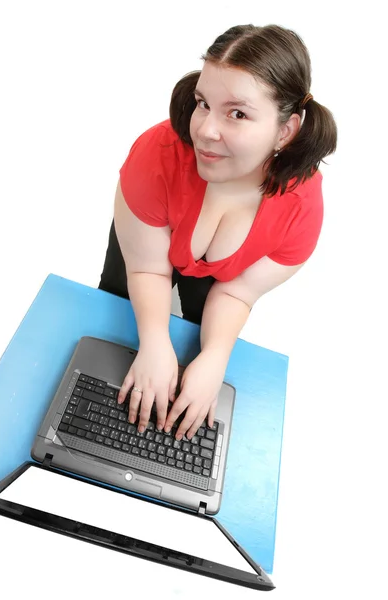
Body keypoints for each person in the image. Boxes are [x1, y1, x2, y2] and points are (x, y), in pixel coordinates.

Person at [98, 24, 337, 443]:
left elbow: (236, 293)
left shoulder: (299, 212)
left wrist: (214, 357)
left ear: (286, 131)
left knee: (196, 333)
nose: (206, 130)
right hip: (148, 248)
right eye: (203, 103)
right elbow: (148, 270)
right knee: (120, 309)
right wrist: (154, 343)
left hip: (224, 279)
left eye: (238, 113)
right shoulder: (157, 155)